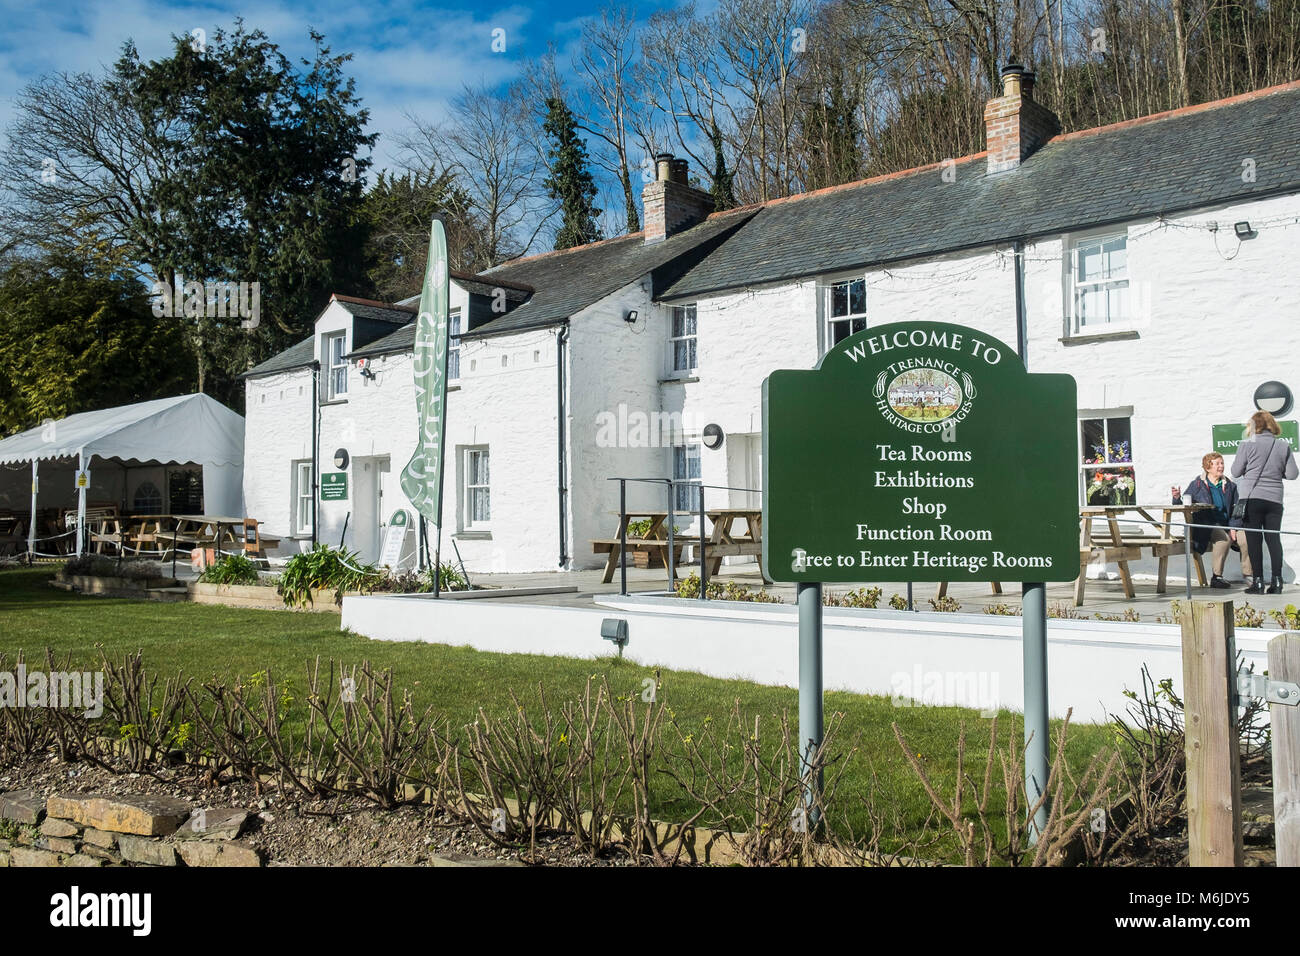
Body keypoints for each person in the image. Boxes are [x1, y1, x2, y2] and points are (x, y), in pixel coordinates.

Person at [1231, 410, 1299, 594]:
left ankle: (1258, 583)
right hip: (1275, 499)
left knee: (1254, 541)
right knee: (1273, 539)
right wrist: (1276, 472)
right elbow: (1293, 474)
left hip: (1252, 498)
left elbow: (1236, 471)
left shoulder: (1246, 445)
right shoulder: (1283, 446)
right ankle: (1277, 582)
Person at [1172, 452, 1252, 588]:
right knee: (1223, 538)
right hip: (1207, 525)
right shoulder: (1197, 484)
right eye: (1217, 464)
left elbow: (1237, 509)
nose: (1221, 466)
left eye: (1222, 463)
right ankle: (1217, 577)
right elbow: (1184, 505)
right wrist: (1176, 498)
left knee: (1246, 537)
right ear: (1208, 467)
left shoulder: (1230, 486)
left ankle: (1248, 575)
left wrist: (1233, 527)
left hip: (1228, 524)